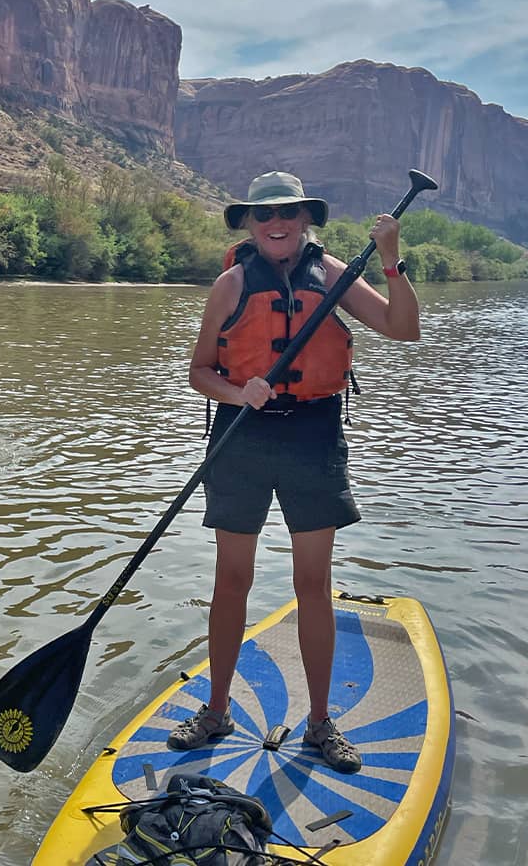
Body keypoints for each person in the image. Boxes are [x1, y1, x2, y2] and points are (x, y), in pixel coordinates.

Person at [168, 172, 420, 773]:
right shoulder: (231, 285)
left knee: (313, 583)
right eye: (263, 215)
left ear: (306, 218)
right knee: (233, 579)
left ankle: (319, 723)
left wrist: (392, 260)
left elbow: (404, 329)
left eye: (288, 213)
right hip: (242, 437)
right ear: (250, 226)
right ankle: (217, 710)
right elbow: (199, 370)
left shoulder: (335, 275)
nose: (276, 223)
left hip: (313, 436)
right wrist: (236, 392)